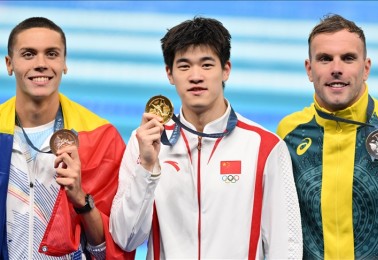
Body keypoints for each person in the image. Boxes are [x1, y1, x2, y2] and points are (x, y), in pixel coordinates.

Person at [110, 16, 303, 259]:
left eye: (207, 64)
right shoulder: (145, 142)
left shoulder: (265, 147)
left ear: (226, 70)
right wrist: (147, 168)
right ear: (169, 74)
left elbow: (286, 247)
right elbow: (125, 238)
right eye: (184, 66)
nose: (196, 76)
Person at [277, 14, 378, 259]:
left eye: (348, 58)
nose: (336, 68)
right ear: (309, 69)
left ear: (366, 68)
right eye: (325, 59)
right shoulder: (287, 134)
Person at [0, 17, 135, 259]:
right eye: (29, 54)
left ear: (64, 63)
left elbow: (112, 249)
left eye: (51, 54)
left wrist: (81, 200)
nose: (41, 64)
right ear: (9, 64)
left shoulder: (101, 137)